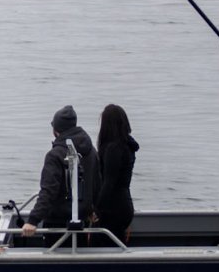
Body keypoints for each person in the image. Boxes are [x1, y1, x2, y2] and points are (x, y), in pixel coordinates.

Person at [21, 105, 98, 239]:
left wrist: (33, 220)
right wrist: (93, 209)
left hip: (57, 224)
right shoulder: (91, 151)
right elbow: (97, 183)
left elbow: (48, 191)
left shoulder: (55, 155)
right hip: (83, 222)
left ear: (56, 130)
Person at [94, 103, 139, 244]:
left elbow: (109, 183)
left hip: (112, 208)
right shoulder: (127, 145)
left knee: (102, 245)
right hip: (124, 204)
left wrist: (96, 209)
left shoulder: (113, 149)